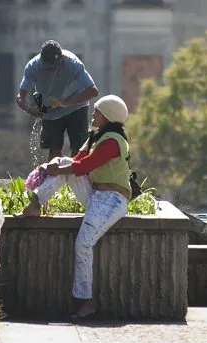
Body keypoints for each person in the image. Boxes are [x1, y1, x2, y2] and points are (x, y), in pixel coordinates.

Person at [15, 95, 132, 319]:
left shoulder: (113, 141)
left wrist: (60, 169)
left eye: (97, 112)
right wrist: (54, 165)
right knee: (63, 162)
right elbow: (77, 159)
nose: (94, 115)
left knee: (83, 244)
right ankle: (35, 203)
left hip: (112, 199)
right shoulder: (97, 137)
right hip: (96, 194)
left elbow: (88, 165)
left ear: (108, 117)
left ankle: (85, 301)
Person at [16, 40, 99, 161]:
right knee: (54, 148)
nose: (50, 71)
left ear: (62, 59)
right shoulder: (33, 66)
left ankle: (75, 178)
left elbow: (93, 91)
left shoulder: (73, 64)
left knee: (79, 148)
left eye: (53, 68)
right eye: (46, 68)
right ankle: (54, 178)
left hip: (76, 106)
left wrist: (67, 102)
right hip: (51, 110)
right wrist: (30, 110)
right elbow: (20, 97)